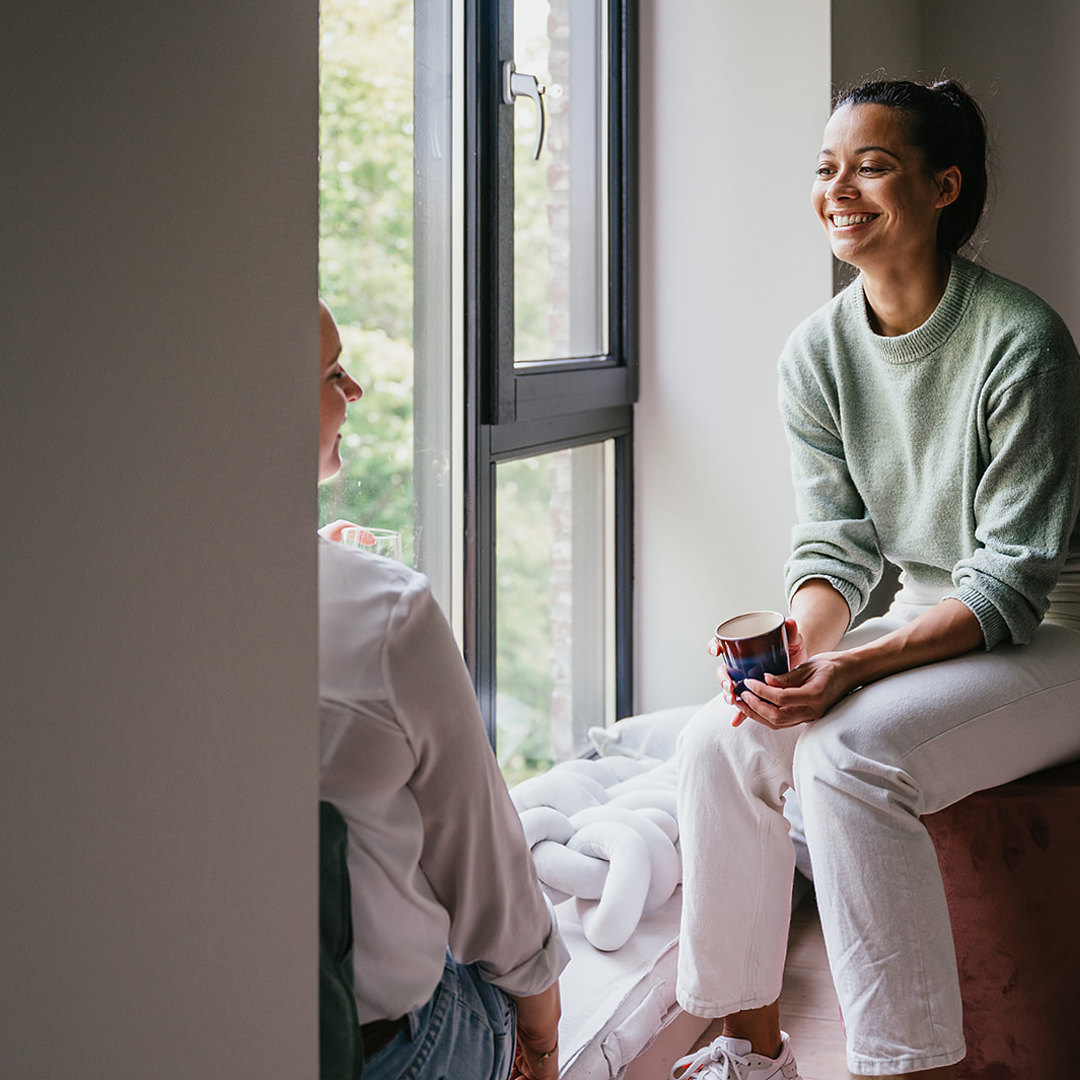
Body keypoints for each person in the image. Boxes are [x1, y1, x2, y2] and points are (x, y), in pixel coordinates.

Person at [671, 79, 1080, 1080]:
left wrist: (856, 674)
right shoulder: (816, 353)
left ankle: (910, 1068)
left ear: (944, 188)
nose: (838, 188)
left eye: (872, 164)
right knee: (717, 740)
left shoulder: (1021, 342)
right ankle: (749, 1050)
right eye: (825, 167)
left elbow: (1011, 584)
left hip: (1057, 634)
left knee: (846, 757)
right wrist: (803, 645)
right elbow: (838, 547)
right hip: (931, 618)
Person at [316, 300, 567, 1080]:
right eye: (331, 373)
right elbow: (487, 870)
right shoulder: (389, 613)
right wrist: (543, 1030)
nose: (352, 390)